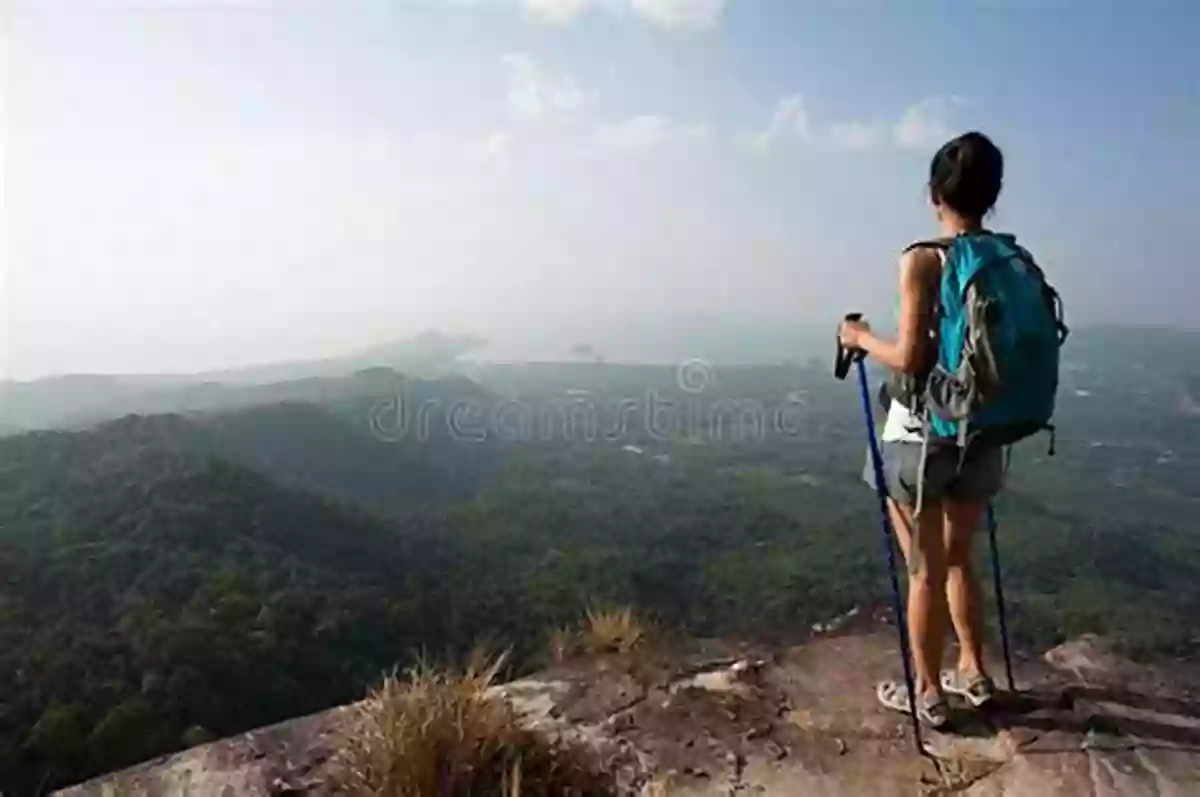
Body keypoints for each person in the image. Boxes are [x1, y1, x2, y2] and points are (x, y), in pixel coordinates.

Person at [838, 131, 1009, 728]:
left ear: (934, 192)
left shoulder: (923, 259)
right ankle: (977, 673)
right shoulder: (1006, 260)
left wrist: (857, 338)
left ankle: (930, 692)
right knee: (961, 558)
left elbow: (910, 359)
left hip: (923, 433)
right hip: (986, 431)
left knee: (924, 569)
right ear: (993, 193)